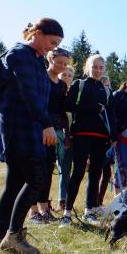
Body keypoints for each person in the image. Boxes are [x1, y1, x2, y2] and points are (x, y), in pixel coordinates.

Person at [0, 18, 64, 254]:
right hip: (17, 126)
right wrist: (46, 124)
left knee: (14, 185)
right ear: (38, 33)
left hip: (25, 127)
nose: (52, 47)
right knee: (36, 179)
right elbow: (28, 93)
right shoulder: (20, 54)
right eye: (51, 42)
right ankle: (13, 235)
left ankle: (0, 239)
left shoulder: (36, 59)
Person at [60, 54, 116, 227]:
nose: (98, 70)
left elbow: (111, 115)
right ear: (87, 67)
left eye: (101, 67)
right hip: (82, 135)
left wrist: (112, 136)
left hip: (101, 139)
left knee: (95, 175)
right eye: (95, 67)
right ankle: (67, 213)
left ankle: (89, 211)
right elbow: (68, 106)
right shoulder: (79, 84)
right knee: (77, 173)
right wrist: (90, 109)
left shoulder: (106, 91)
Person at [28, 47, 71, 224]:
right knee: (35, 170)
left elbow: (63, 111)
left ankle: (44, 209)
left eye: (65, 64)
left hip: (55, 132)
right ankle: (32, 212)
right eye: (59, 62)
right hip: (38, 129)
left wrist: (67, 133)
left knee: (47, 170)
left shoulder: (61, 85)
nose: (62, 66)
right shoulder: (40, 78)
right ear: (50, 59)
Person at [56, 65, 75, 212]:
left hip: (74, 138)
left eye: (69, 75)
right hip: (59, 136)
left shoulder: (74, 95)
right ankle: (61, 202)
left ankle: (67, 201)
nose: (67, 77)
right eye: (64, 74)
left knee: (68, 171)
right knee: (63, 170)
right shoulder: (56, 93)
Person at [97, 75, 113, 206]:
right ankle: (92, 202)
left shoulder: (110, 102)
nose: (107, 88)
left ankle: (99, 201)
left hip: (109, 142)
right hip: (98, 141)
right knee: (96, 173)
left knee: (107, 173)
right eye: (105, 85)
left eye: (109, 86)